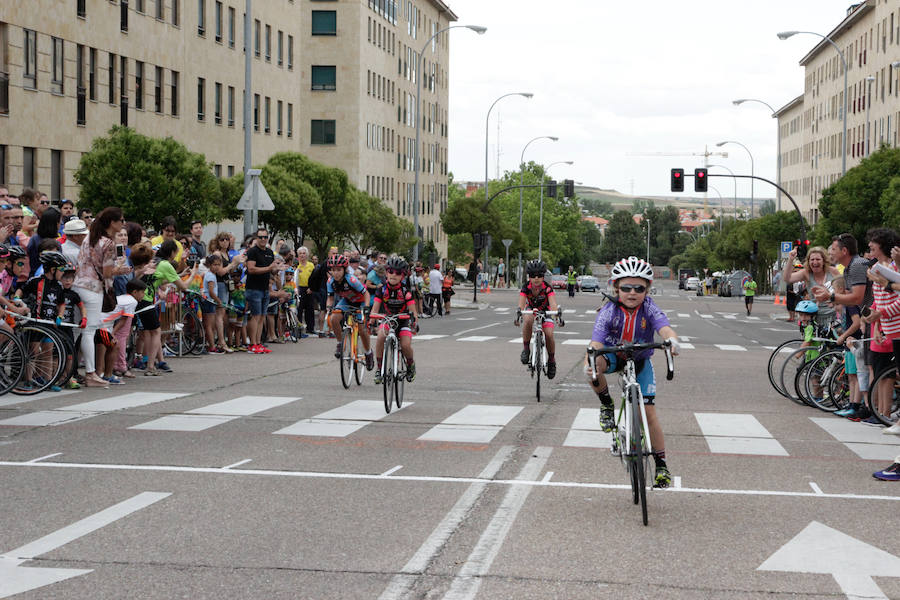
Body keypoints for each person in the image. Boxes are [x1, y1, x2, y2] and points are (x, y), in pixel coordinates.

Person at [586, 256, 681, 489]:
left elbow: (665, 328)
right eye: (625, 287)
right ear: (616, 288)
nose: (632, 293)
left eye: (639, 288)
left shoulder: (649, 308)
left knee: (649, 414)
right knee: (592, 365)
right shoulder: (609, 311)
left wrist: (673, 342)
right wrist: (592, 358)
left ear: (647, 289)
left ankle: (661, 465)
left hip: (640, 361)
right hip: (613, 357)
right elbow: (597, 342)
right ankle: (606, 404)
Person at [72, 207, 131, 387]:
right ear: (112, 223)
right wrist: (120, 270)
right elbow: (107, 272)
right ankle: (91, 373)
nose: (123, 224)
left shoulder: (90, 237)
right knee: (89, 331)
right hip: (93, 288)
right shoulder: (108, 243)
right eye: (121, 220)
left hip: (78, 284)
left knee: (76, 330)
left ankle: (68, 370)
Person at [859, 227, 900, 428]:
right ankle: (881, 413)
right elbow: (878, 301)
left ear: (882, 244)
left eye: (873, 242)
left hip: (894, 325)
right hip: (884, 326)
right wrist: (875, 325)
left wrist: (880, 316)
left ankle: (885, 413)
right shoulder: (877, 268)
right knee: (881, 370)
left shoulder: (893, 269)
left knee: (888, 373)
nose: (869, 246)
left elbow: (896, 300)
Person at [18, 250, 69, 391]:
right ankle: (28, 380)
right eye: (61, 269)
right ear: (52, 269)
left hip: (49, 323)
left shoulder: (58, 286)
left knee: (48, 352)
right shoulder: (36, 281)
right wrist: (17, 299)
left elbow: (61, 303)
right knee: (32, 353)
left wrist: (60, 316)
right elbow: (21, 290)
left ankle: (49, 381)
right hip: (35, 322)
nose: (63, 273)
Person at [371, 257, 417, 384]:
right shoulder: (382, 290)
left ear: (403, 276)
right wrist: (371, 321)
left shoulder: (405, 291)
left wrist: (414, 323)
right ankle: (379, 369)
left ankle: (410, 365)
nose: (393, 275)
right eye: (391, 271)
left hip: (403, 320)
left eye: (398, 273)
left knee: (405, 345)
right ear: (386, 273)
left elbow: (413, 311)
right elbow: (374, 309)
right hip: (388, 319)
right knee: (380, 337)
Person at [325, 254, 373, 369]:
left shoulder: (351, 279)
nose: (336, 273)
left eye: (339, 270)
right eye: (333, 270)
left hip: (360, 302)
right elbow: (330, 298)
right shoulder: (330, 282)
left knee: (362, 329)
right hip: (347, 301)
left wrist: (365, 308)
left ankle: (368, 353)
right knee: (334, 319)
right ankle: (340, 343)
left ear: (344, 270)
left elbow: (366, 293)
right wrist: (329, 307)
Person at [518, 259, 560, 380]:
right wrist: (518, 313)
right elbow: (521, 305)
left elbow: (553, 304)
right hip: (531, 309)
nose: (536, 278)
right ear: (529, 277)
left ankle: (551, 360)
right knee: (528, 319)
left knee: (549, 334)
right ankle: (526, 349)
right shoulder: (526, 287)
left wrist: (556, 316)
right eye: (532, 276)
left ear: (543, 276)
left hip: (545, 311)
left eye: (539, 276)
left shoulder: (547, 288)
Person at [782, 246, 841, 327]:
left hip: (834, 316)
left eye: (818, 259)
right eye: (812, 260)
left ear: (824, 261)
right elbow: (787, 278)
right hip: (814, 317)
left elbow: (844, 289)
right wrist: (790, 259)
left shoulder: (833, 271)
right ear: (808, 261)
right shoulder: (806, 273)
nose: (815, 262)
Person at [245, 227, 279, 354]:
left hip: (265, 288)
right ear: (256, 238)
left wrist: (277, 268)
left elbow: (271, 270)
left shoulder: (270, 252)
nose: (263, 239)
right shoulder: (253, 251)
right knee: (255, 316)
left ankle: (258, 343)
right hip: (254, 288)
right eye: (261, 237)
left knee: (262, 317)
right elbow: (251, 269)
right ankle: (252, 344)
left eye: (265, 237)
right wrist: (269, 267)